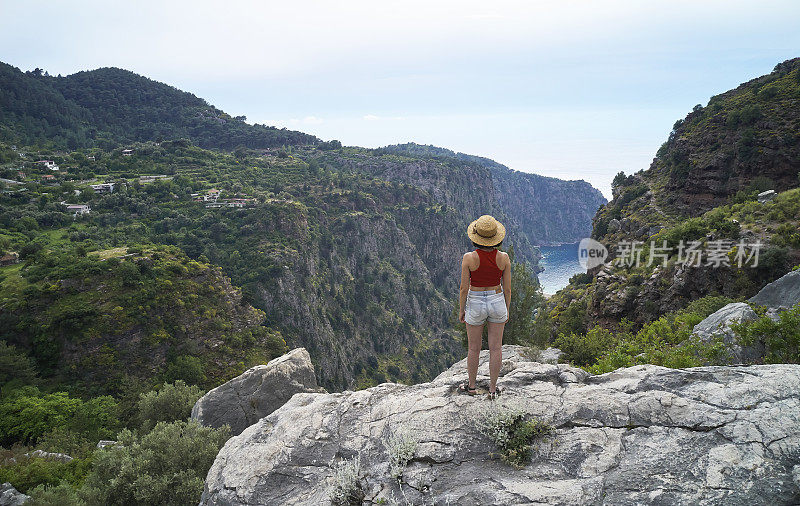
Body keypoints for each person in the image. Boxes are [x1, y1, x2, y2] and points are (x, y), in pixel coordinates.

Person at [458, 214, 510, 400]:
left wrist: (462, 309)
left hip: (476, 301)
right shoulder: (503, 258)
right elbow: (508, 289)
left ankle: (471, 386)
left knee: (474, 348)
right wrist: (507, 309)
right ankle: (493, 389)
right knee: (496, 348)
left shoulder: (469, 258)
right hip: (497, 300)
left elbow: (464, 288)